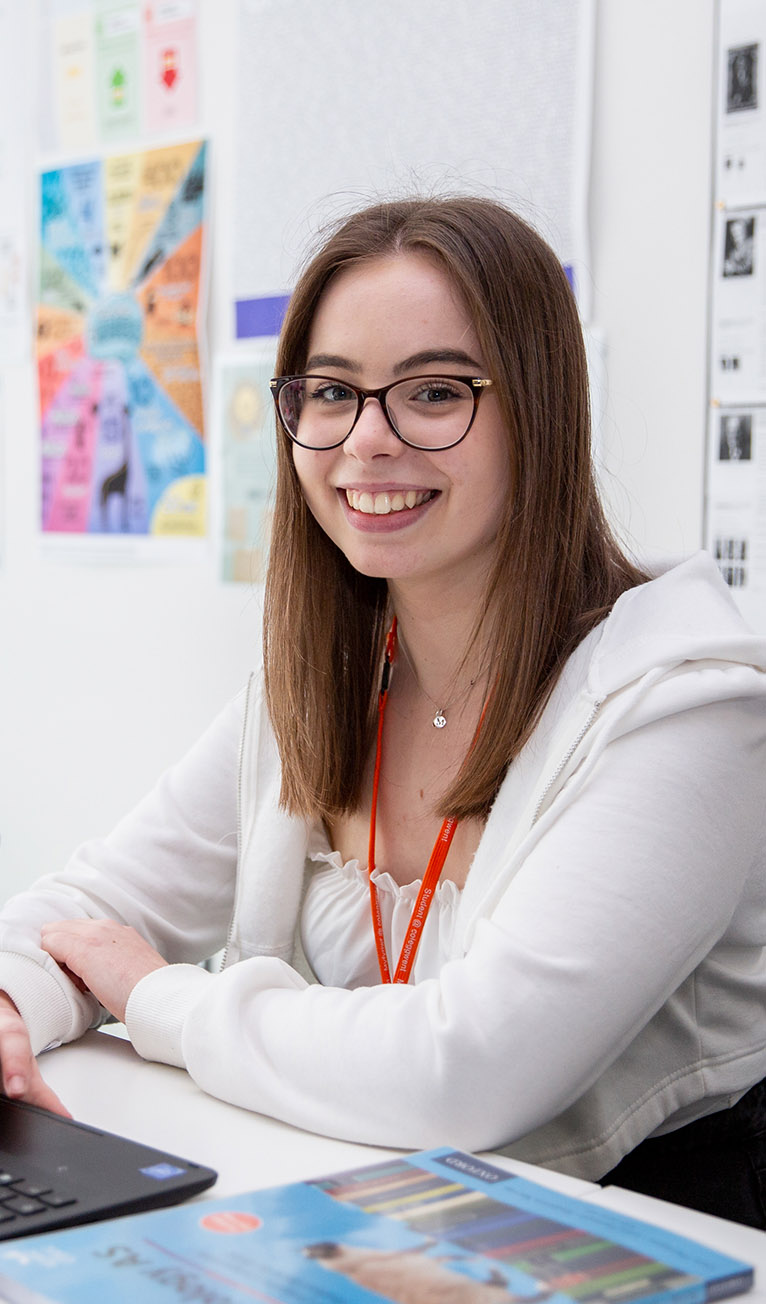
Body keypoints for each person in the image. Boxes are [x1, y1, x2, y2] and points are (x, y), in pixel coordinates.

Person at [2, 197, 766, 1228]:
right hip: (365, 1224)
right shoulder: (323, 678)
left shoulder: (689, 708)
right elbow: (99, 903)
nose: (368, 440)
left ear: (538, 408)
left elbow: (467, 1073)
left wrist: (153, 999)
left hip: (638, 1260)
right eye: (330, 393)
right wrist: (14, 1003)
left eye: (434, 391)